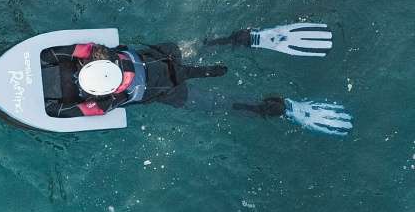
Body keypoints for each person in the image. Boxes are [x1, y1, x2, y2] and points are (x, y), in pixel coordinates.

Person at [40, 22, 353, 137]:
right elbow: (54, 52)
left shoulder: (106, 102)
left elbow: (57, 112)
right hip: (167, 56)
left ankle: (271, 108)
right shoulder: (103, 52)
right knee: (198, 48)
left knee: (219, 104)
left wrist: (61, 97)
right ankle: (240, 39)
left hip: (171, 91)